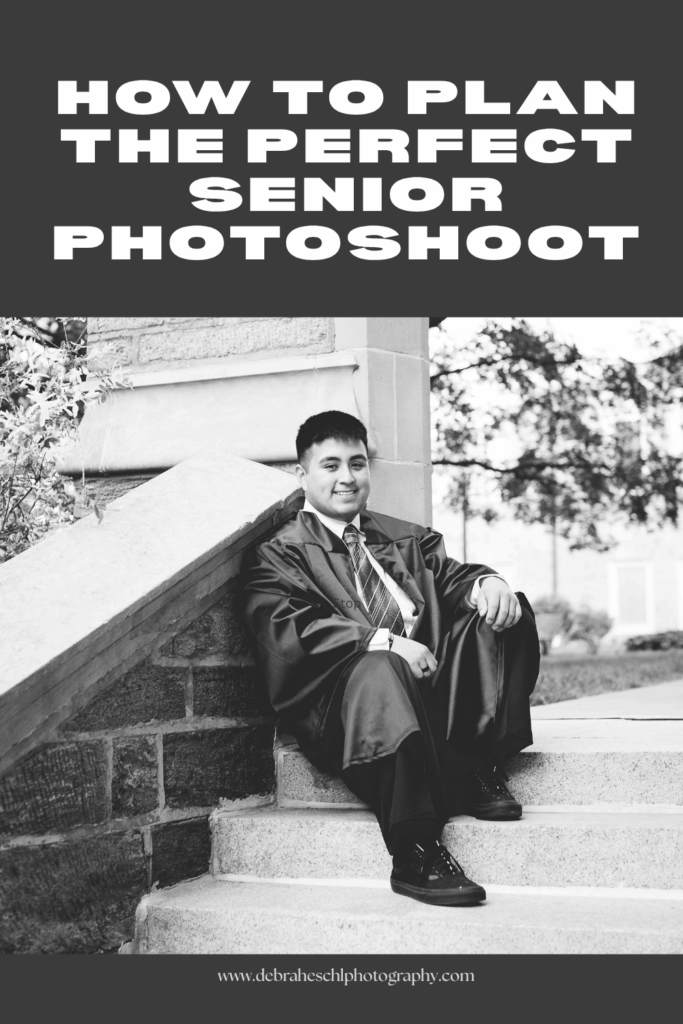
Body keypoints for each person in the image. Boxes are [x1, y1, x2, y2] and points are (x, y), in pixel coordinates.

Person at [242, 411, 540, 907]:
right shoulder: (281, 554)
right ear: (303, 474)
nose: (347, 477)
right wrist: (383, 641)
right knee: (380, 668)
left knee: (503, 613)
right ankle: (415, 849)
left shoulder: (403, 536)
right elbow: (288, 627)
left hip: (428, 682)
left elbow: (452, 578)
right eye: (330, 465)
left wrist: (488, 582)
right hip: (352, 697)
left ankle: (476, 765)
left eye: (356, 463)